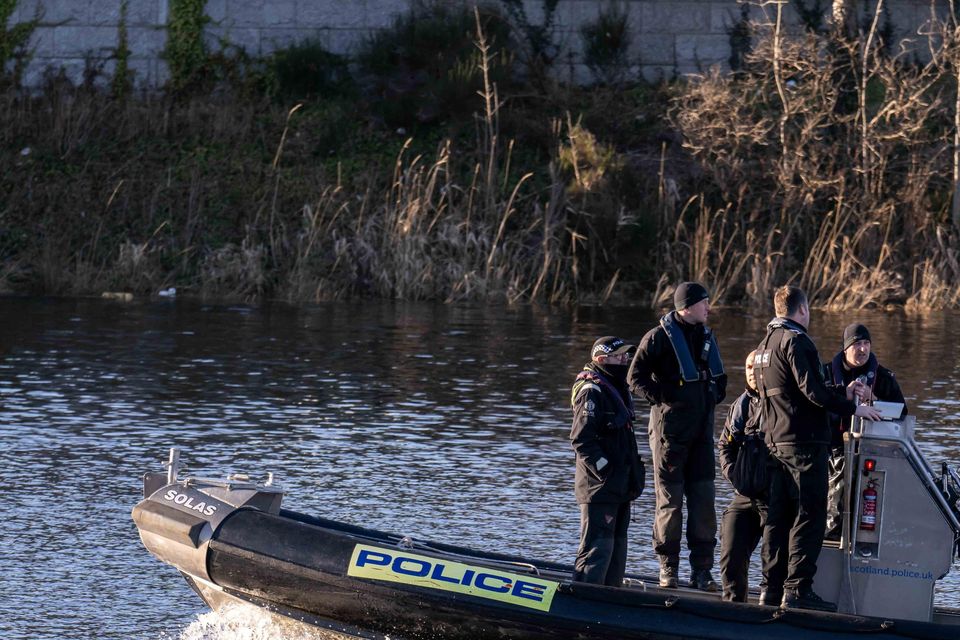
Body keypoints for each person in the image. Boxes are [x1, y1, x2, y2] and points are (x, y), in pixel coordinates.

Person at [754, 286, 881, 611]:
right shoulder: (797, 341)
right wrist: (853, 407)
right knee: (811, 514)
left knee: (778, 517)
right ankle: (798, 589)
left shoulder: (766, 344)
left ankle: (770, 589)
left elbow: (791, 391)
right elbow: (812, 392)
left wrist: (841, 390)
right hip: (804, 444)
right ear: (802, 310)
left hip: (775, 442)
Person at [628, 282, 726, 591]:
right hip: (669, 435)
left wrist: (712, 394)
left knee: (704, 501)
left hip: (701, 435)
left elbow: (721, 380)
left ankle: (702, 572)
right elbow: (635, 377)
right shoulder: (658, 338)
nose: (709, 308)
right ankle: (667, 568)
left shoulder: (707, 336)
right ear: (687, 306)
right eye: (704, 303)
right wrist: (663, 397)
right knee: (670, 504)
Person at [570, 336, 646, 586]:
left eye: (627, 356)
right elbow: (582, 440)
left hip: (620, 486)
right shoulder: (591, 391)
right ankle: (585, 599)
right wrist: (605, 470)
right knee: (597, 548)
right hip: (599, 487)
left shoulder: (617, 388)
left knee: (616, 548)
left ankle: (610, 599)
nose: (625, 360)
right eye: (620, 357)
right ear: (602, 360)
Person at [823, 323, 907, 540]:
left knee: (867, 512)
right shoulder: (825, 374)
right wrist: (845, 398)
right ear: (845, 349)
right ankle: (830, 543)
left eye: (866, 343)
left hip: (872, 453)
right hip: (833, 452)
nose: (862, 349)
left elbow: (902, 414)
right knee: (833, 510)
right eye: (857, 344)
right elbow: (816, 410)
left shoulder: (884, 377)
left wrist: (874, 399)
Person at [717, 350, 768, 602]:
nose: (751, 371)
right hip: (745, 492)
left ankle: (769, 603)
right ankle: (733, 605)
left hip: (774, 495)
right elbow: (725, 446)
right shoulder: (741, 405)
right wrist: (735, 476)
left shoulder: (779, 404)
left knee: (773, 559)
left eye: (756, 366)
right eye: (747, 366)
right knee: (731, 553)